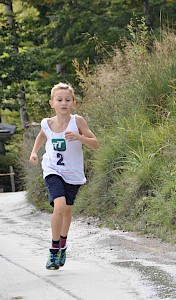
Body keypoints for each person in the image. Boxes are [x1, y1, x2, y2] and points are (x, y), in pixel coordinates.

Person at [29, 82, 99, 270]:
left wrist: (79, 138)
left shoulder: (78, 122)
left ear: (73, 103)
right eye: (59, 100)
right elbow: (42, 136)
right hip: (52, 169)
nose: (63, 103)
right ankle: (53, 251)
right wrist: (34, 152)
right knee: (59, 206)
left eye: (67, 100)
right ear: (52, 103)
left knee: (67, 210)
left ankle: (63, 245)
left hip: (73, 173)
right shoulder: (47, 123)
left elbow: (95, 144)